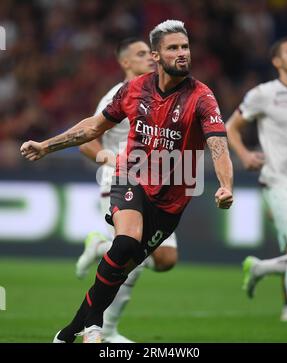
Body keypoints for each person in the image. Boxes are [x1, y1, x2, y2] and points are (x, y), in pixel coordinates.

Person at [20, 19, 233, 343]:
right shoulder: (133, 90)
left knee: (124, 267)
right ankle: (92, 330)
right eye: (173, 48)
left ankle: (75, 328)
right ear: (157, 56)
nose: (182, 54)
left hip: (173, 197)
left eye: (185, 47)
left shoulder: (202, 97)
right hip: (130, 175)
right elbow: (92, 128)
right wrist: (46, 146)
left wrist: (225, 185)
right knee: (126, 242)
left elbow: (219, 144)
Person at [76, 37, 179, 343]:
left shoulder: (158, 92)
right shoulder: (117, 95)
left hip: (156, 184)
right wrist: (105, 157)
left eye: (151, 52)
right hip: (120, 181)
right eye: (141, 54)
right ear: (124, 62)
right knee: (130, 254)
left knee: (165, 259)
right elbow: (86, 137)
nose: (150, 57)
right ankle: (104, 331)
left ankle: (99, 247)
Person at [226, 36, 287, 343]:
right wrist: (243, 155)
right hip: (279, 182)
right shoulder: (263, 95)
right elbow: (231, 127)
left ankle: (260, 268)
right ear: (277, 61)